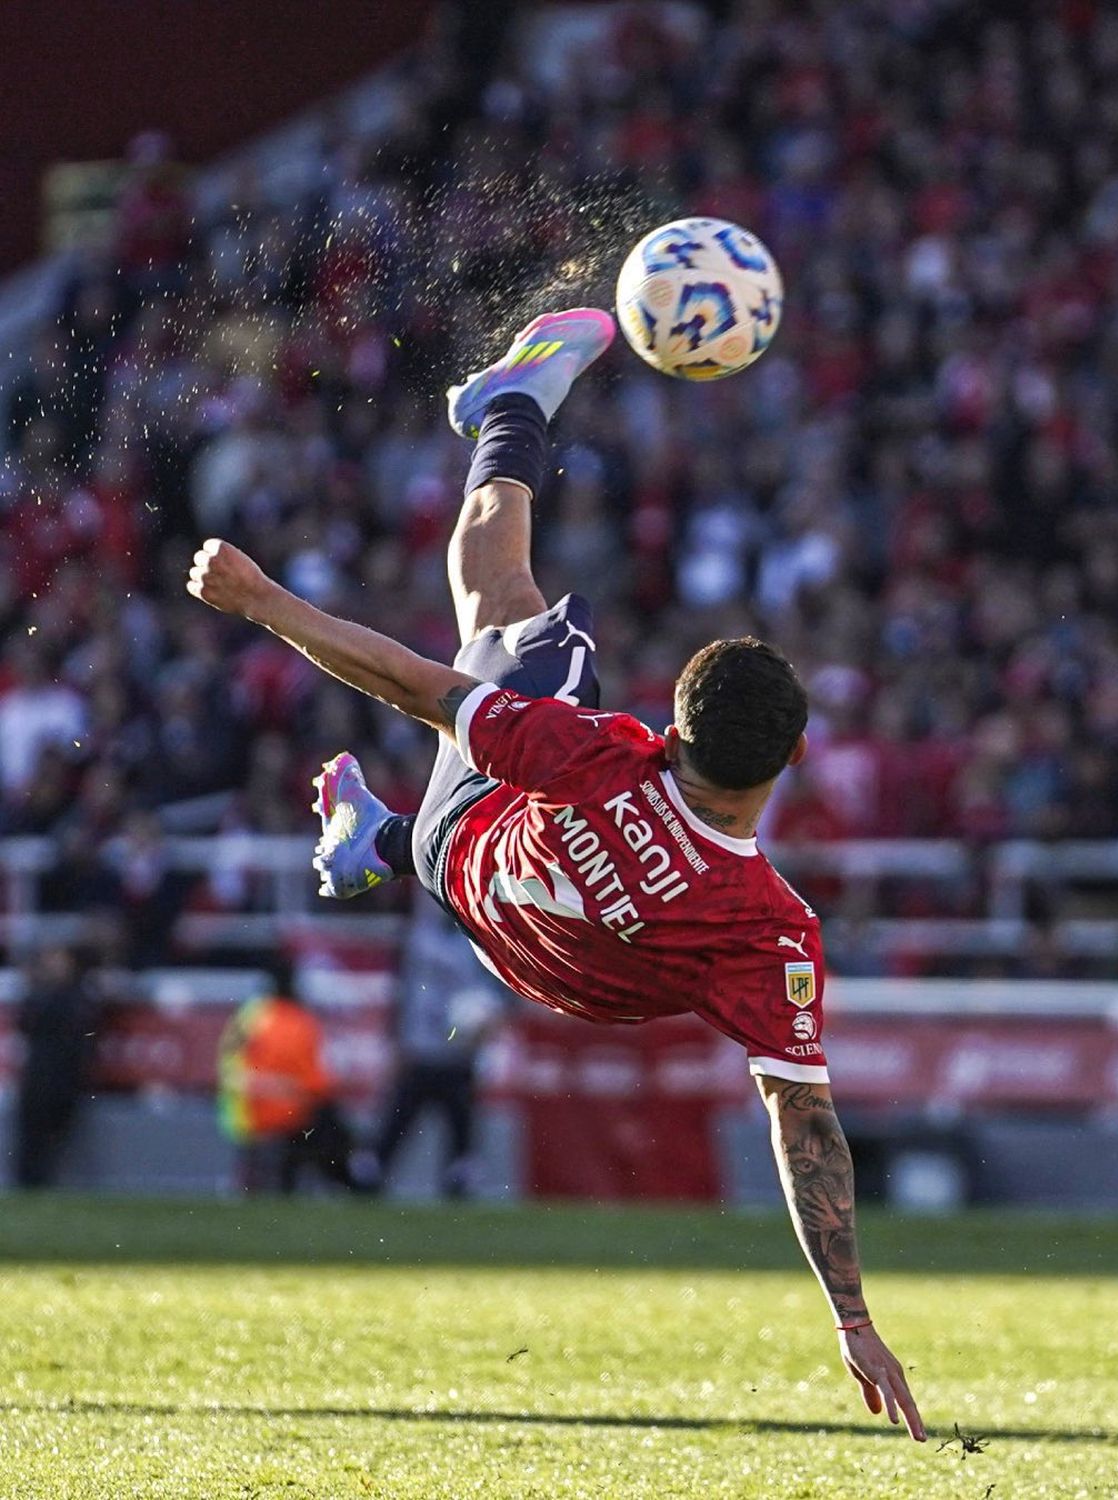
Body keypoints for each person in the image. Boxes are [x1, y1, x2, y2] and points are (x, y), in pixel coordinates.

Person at [187, 307, 926, 1441]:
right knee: (501, 629)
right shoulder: (771, 934)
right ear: (793, 758)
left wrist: (262, 603)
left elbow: (411, 682)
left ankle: (510, 412)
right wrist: (851, 1317)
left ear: (671, 734)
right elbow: (805, 1127)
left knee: (506, 617)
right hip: (516, 948)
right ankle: (369, 841)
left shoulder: (604, 759)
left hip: (468, 853)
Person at [370, 893, 504, 1198]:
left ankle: (459, 1179)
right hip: (420, 1052)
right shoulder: (416, 937)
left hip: (458, 1054)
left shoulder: (477, 942)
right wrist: (396, 1039)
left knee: (460, 1131)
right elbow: (402, 994)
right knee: (397, 1124)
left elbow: (493, 996)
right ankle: (371, 1174)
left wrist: (487, 1020)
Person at [217, 958, 363, 1195]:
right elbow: (319, 1084)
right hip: (289, 1118)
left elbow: (226, 1066)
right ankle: (350, 1182)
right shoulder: (301, 1023)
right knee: (329, 1127)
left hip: (243, 1117)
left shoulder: (246, 1017)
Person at [14, 946, 97, 1188]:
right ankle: (29, 1181)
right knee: (33, 1134)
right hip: (40, 1073)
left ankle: (43, 1180)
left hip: (65, 1074)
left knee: (56, 1132)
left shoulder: (77, 995)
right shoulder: (41, 994)